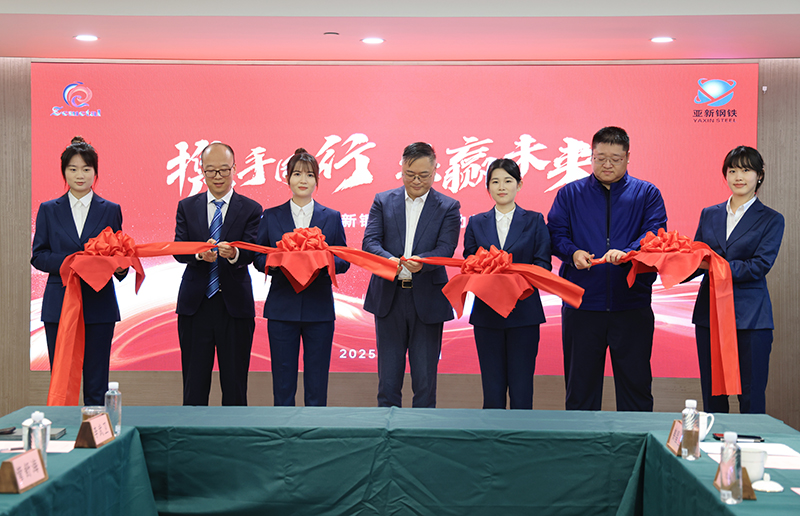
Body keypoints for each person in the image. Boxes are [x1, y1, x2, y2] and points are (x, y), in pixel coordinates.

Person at [547, 126, 667, 412]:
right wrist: (572, 252)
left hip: (632, 303)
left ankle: (637, 439)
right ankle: (582, 440)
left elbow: (656, 232)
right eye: (600, 158)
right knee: (580, 391)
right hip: (582, 304)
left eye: (615, 158)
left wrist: (629, 252)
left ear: (628, 158)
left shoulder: (647, 193)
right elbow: (555, 234)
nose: (607, 165)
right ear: (591, 156)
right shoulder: (570, 194)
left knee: (636, 387)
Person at [363, 142, 461, 408]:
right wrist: (389, 260)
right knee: (388, 382)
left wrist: (423, 262)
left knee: (425, 381)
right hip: (389, 297)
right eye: (410, 174)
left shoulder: (448, 207)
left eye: (423, 175)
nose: (416, 181)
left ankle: (423, 431)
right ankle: (388, 431)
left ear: (435, 170)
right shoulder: (383, 201)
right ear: (402, 169)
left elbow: (446, 248)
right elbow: (370, 242)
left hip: (428, 298)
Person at [31, 136, 128, 405]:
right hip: (60, 304)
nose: (80, 175)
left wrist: (121, 267)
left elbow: (118, 254)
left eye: (86, 169)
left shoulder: (111, 210)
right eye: (73, 169)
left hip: (99, 305)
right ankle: (64, 429)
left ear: (95, 172)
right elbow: (38, 256)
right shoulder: (49, 210)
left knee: (97, 381)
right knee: (63, 378)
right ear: (64, 172)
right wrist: (72, 262)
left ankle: (95, 430)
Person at [254, 148, 350, 406]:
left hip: (319, 309)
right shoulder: (271, 215)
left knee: (317, 382)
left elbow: (343, 260)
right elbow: (259, 258)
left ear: (317, 180)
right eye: (297, 174)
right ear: (287, 179)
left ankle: (314, 428)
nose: (303, 180)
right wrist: (281, 262)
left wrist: (319, 262)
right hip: (282, 308)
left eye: (309, 175)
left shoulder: (331, 217)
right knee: (283, 382)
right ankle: (283, 427)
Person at [692, 146, 784, 414]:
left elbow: (759, 265)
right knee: (713, 396)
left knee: (751, 396)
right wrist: (665, 262)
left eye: (746, 170)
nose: (738, 177)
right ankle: (714, 442)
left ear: (759, 175)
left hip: (750, 319)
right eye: (732, 171)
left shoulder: (772, 219)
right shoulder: (709, 213)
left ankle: (750, 443)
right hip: (709, 316)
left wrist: (714, 266)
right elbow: (697, 258)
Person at [174, 142, 262, 406]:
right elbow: (179, 249)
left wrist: (233, 253)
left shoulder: (251, 208)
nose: (218, 176)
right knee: (194, 386)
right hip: (195, 306)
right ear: (202, 171)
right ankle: (192, 431)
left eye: (224, 169)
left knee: (235, 386)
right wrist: (199, 255)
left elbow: (253, 251)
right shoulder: (187, 206)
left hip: (234, 307)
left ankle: (233, 432)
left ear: (235, 168)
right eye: (211, 170)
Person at [463, 159, 551, 409]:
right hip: (487, 315)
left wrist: (513, 280)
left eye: (508, 181)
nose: (501, 187)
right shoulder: (476, 222)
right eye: (495, 182)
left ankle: (522, 433)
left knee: (521, 390)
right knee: (492, 390)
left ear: (519, 185)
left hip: (524, 314)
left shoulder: (534, 220)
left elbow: (542, 264)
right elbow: (470, 263)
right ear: (488, 187)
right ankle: (492, 433)